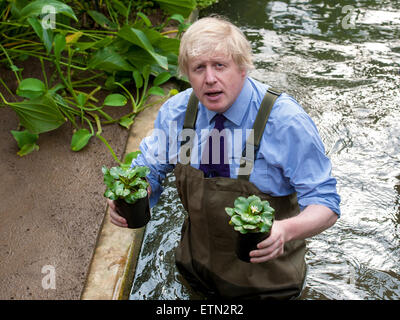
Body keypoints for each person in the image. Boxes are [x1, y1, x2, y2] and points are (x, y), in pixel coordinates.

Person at [108, 16, 341, 299]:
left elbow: (325, 203)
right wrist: (133, 192)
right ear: (187, 74)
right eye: (198, 68)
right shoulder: (178, 114)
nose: (209, 79)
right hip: (195, 272)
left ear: (242, 68)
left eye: (220, 65)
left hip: (268, 287)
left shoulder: (284, 121)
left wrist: (285, 230)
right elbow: (149, 167)